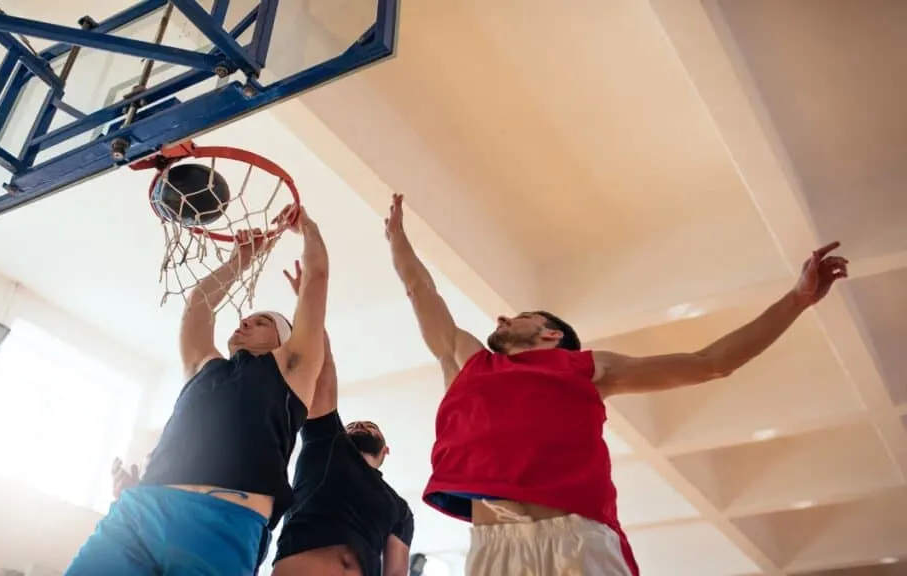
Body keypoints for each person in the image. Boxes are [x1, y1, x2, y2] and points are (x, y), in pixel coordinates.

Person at [384, 193, 848, 576]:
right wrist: (398, 239)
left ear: (550, 335)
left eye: (521, 315)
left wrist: (797, 300)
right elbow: (420, 290)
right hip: (493, 548)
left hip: (575, 539)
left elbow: (711, 362)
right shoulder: (469, 361)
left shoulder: (588, 368)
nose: (504, 317)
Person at [65, 206, 330, 576]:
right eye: (247, 317)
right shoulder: (204, 366)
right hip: (141, 508)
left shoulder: (291, 372)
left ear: (283, 340)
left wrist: (308, 229)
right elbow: (198, 307)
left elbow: (316, 279)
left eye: (262, 321)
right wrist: (242, 259)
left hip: (223, 520)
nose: (246, 321)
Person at [272, 261, 414, 576]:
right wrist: (309, 307)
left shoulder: (399, 507)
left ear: (385, 450)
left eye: (369, 426)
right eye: (352, 425)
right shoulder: (327, 443)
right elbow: (322, 373)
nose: (360, 425)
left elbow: (396, 572)